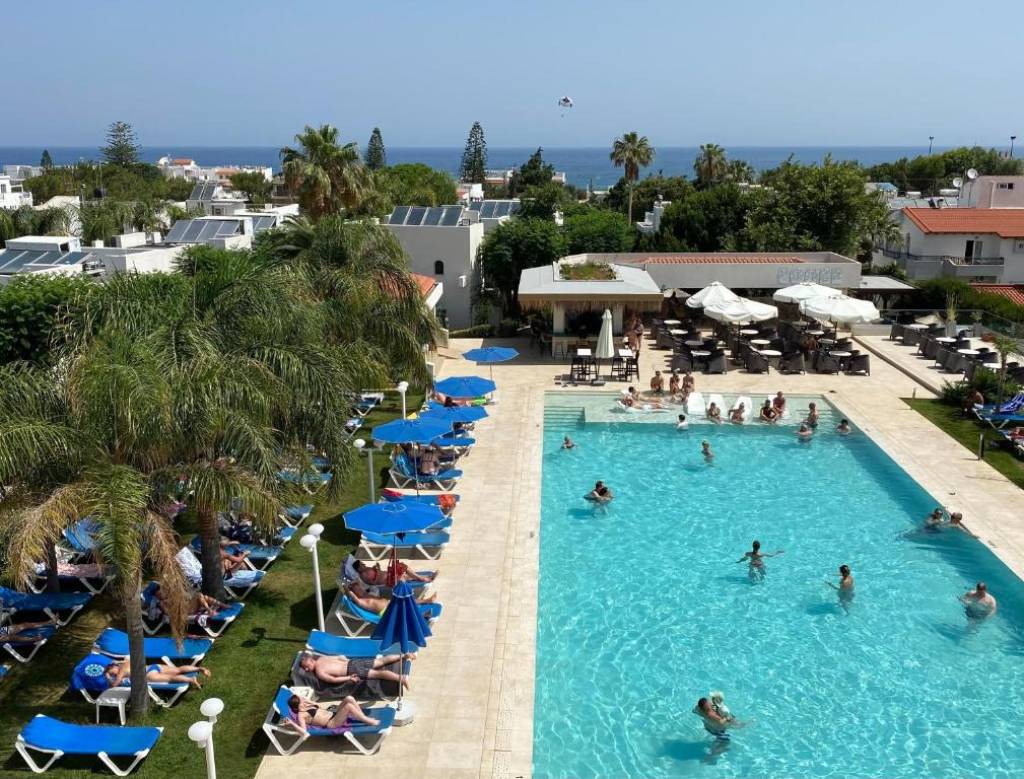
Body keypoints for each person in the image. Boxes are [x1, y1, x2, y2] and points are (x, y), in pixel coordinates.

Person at [297, 652, 409, 691]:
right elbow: (340, 656)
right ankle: (404, 655)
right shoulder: (322, 658)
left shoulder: (319, 671)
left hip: (351, 670)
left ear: (311, 661)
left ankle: (400, 678)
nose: (306, 670)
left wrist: (349, 677)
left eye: (306, 667)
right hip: (353, 662)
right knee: (381, 661)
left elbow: (333, 680)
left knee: (378, 674)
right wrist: (347, 660)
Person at [287, 691, 381, 732]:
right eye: (301, 702)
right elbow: (303, 731)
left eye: (302, 700)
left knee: (349, 698)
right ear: (296, 707)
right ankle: (368, 721)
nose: (303, 701)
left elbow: (320, 707)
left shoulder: (307, 706)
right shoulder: (301, 715)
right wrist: (292, 723)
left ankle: (362, 717)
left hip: (334, 713)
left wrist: (309, 702)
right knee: (348, 706)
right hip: (331, 722)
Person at [104, 659, 211, 689]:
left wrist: (108, 677)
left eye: (112, 672)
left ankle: (191, 680)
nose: (114, 674)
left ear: (114, 668)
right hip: (153, 666)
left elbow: (115, 684)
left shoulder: (121, 671)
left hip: (149, 674)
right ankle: (199, 668)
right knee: (178, 669)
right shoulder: (126, 662)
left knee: (171, 678)